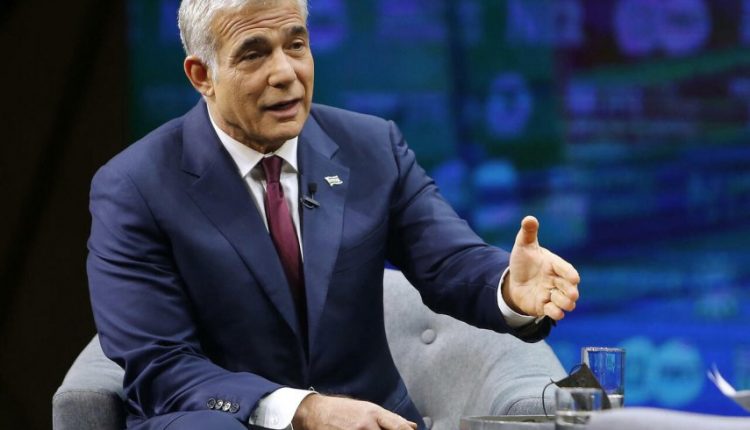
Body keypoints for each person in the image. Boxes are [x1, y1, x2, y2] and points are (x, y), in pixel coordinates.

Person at [86, 0, 581, 429]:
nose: (285, 72)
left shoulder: (372, 147)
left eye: (296, 45)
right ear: (202, 76)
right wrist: (305, 410)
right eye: (254, 54)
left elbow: (448, 260)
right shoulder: (135, 187)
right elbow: (161, 366)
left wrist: (508, 288)